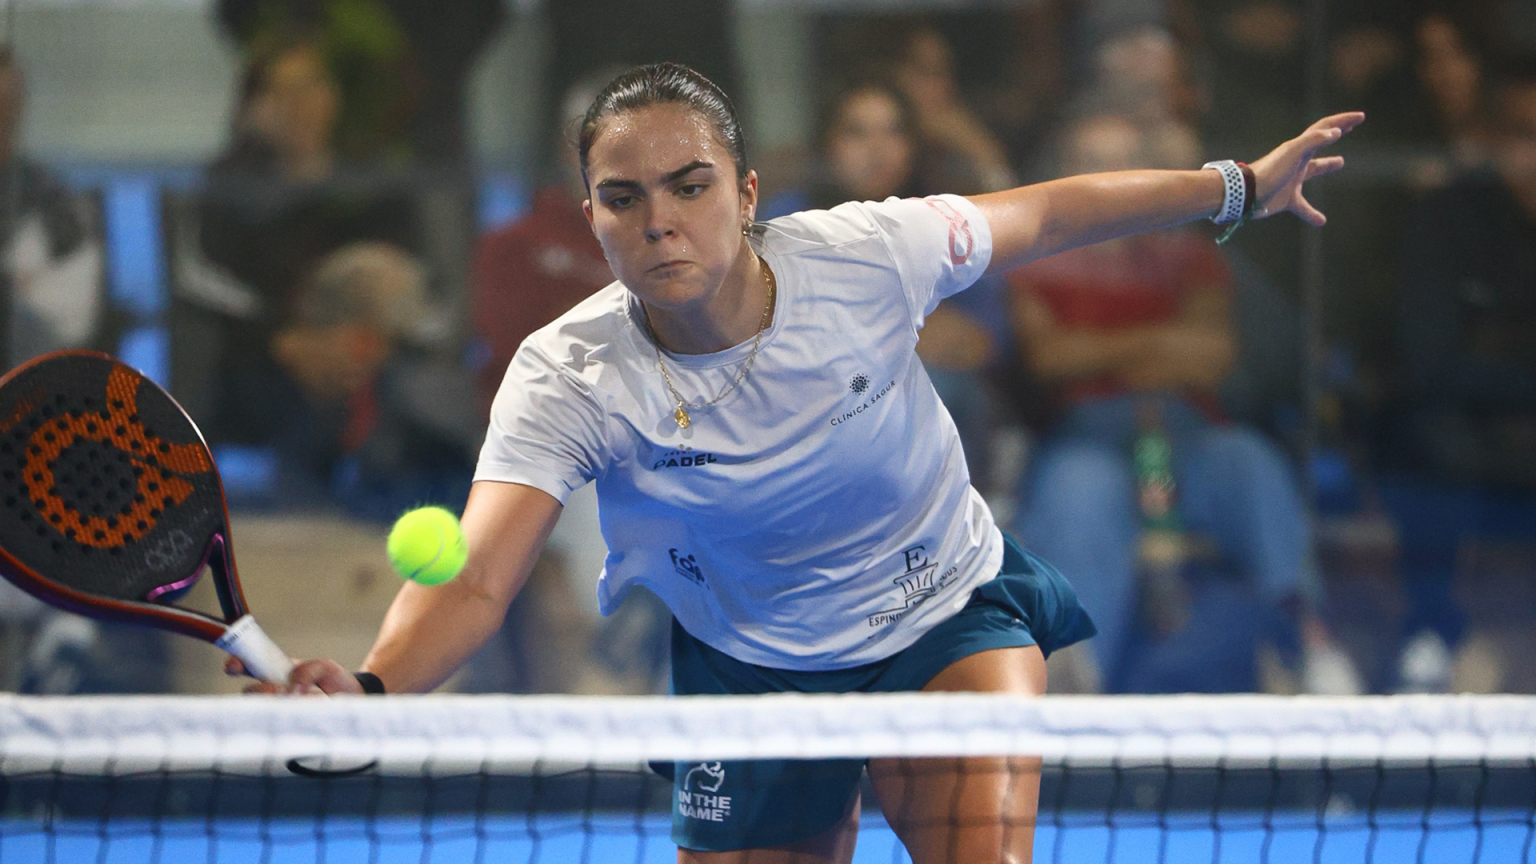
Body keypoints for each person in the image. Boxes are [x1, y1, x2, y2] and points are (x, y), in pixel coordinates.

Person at [233, 63, 1360, 863]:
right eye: (624, 198)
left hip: (940, 616)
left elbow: (1052, 214)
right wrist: (371, 689)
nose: (659, 220)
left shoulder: (869, 256)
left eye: (690, 185)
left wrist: (1236, 186)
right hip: (750, 664)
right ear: (593, 217)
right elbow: (479, 573)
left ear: (747, 193)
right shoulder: (567, 372)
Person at [1008, 113, 1359, 695]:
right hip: (1089, 439)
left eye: (1124, 162)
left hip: (1190, 434)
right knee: (1076, 488)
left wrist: (1099, 352)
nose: (1108, 175)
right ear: (1063, 172)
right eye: (1092, 162)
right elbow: (1049, 357)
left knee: (1248, 461)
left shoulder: (1188, 257)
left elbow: (1212, 356)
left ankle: (1311, 644)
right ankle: (1073, 677)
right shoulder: (1035, 260)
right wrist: (1162, 343)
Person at [1382, 53, 1536, 692]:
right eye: (1525, 136)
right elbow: (1431, 360)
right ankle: (1433, 634)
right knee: (1429, 446)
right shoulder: (1444, 219)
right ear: (1494, 141)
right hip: (1460, 428)